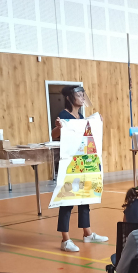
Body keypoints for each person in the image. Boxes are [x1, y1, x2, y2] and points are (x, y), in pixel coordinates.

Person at [53, 85, 108, 252]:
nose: (82, 98)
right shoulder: (64, 115)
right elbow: (54, 134)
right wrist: (58, 128)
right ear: (69, 98)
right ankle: (65, 239)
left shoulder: (81, 116)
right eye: (79, 95)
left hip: (84, 163)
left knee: (85, 198)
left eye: (83, 95)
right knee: (67, 200)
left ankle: (87, 233)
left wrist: (96, 123)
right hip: (71, 165)